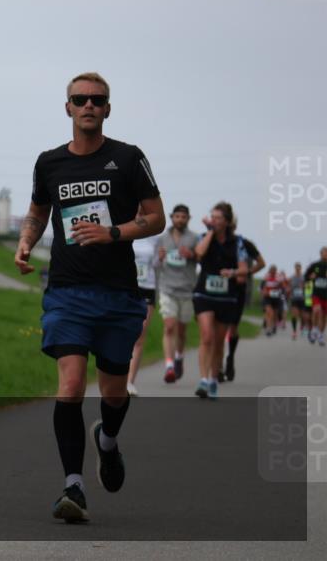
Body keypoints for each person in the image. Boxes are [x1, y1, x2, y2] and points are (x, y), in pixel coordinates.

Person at [14, 72, 164, 523]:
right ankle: (73, 486)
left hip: (118, 294)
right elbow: (38, 212)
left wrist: (113, 233)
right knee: (72, 385)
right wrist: (25, 242)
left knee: (114, 393)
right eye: (80, 99)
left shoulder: (128, 158)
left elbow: (154, 218)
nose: (88, 106)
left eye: (97, 100)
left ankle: (109, 441)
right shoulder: (49, 163)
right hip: (67, 292)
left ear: (107, 108)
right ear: (68, 108)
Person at [191, 202, 248, 398]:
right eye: (212, 217)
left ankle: (214, 378)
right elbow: (198, 253)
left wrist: (232, 272)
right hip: (204, 294)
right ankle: (203, 380)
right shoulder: (204, 237)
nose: (214, 220)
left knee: (217, 341)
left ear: (227, 222)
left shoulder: (237, 242)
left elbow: (244, 269)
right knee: (206, 336)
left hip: (226, 297)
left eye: (218, 218)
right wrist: (210, 232)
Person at [154, 204, 199, 383]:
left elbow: (201, 257)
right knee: (169, 326)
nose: (180, 219)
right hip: (167, 288)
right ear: (172, 217)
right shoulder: (162, 238)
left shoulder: (194, 238)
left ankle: (179, 356)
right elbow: (155, 264)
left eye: (183, 217)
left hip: (187, 289)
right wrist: (160, 257)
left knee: (181, 330)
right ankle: (169, 365)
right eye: (177, 216)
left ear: (188, 219)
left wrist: (192, 255)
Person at [222, 229, 263, 382]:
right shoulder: (215, 242)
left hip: (238, 288)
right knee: (218, 328)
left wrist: (247, 272)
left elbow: (261, 263)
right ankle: (218, 365)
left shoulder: (245, 244)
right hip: (220, 288)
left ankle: (230, 358)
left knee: (232, 328)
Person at [127, 228, 159, 396]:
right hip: (125, 285)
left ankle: (130, 381)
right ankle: (119, 375)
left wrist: (161, 258)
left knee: (140, 334)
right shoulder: (125, 229)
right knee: (121, 332)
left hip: (147, 287)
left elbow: (158, 264)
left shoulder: (155, 237)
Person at [305, 247, 327, 346]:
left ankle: (321, 335)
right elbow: (306, 276)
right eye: (324, 252)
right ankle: (314, 329)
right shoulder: (315, 265)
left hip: (326, 295)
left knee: (324, 316)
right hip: (316, 293)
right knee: (316, 310)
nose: (325, 254)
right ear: (320, 254)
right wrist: (310, 277)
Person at [260, 265, 284, 337]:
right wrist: (264, 292)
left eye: (274, 271)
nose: (273, 272)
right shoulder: (266, 277)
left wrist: (279, 290)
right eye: (271, 271)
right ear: (270, 271)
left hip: (276, 298)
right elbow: (262, 287)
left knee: (275, 314)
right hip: (268, 298)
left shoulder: (278, 277)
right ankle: (268, 329)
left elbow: (282, 288)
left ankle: (274, 326)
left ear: (276, 271)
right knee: (269, 312)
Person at [289, 262, 310, 340]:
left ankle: (302, 326)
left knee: (303, 316)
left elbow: (308, 287)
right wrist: (289, 290)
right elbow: (289, 287)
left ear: (301, 268)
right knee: (294, 315)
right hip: (294, 299)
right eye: (296, 267)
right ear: (295, 268)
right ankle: (294, 332)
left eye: (299, 267)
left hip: (302, 299)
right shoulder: (292, 277)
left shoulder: (304, 277)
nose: (297, 269)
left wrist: (304, 286)